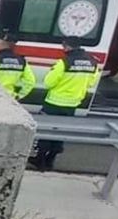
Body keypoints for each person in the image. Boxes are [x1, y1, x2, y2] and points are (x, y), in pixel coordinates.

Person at [32, 37, 101, 171]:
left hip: (54, 102)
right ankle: (50, 161)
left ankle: (39, 161)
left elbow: (48, 82)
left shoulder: (63, 62)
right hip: (73, 104)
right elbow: (92, 82)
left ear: (66, 46)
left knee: (46, 131)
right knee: (60, 132)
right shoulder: (93, 62)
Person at [0, 31, 36, 101]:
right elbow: (30, 81)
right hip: (10, 98)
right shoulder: (22, 61)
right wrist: (18, 96)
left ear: (1, 44)